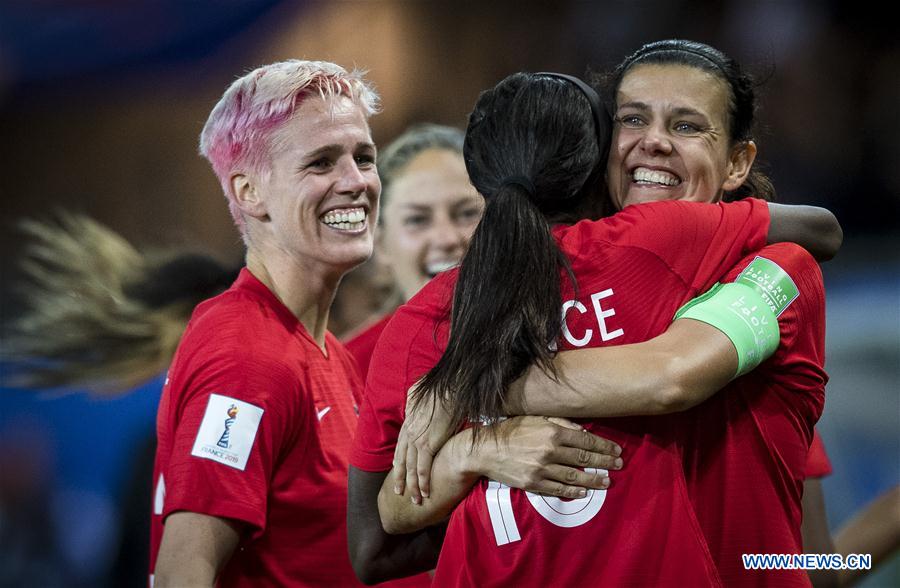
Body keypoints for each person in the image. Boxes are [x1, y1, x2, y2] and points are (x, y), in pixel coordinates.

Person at [348, 70, 840, 586]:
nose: (652, 146)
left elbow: (672, 378)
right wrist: (478, 449)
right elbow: (817, 562)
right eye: (631, 122)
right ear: (599, 158)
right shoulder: (664, 243)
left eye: (687, 126)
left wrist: (465, 390)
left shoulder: (423, 322)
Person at [149, 59, 383, 587]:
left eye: (363, 157)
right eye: (322, 163)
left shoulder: (322, 351)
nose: (355, 182)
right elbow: (183, 571)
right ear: (250, 192)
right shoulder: (248, 357)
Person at [344, 124, 482, 376]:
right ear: (381, 244)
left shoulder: (561, 333)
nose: (447, 238)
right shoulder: (349, 372)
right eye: (418, 220)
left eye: (467, 213)